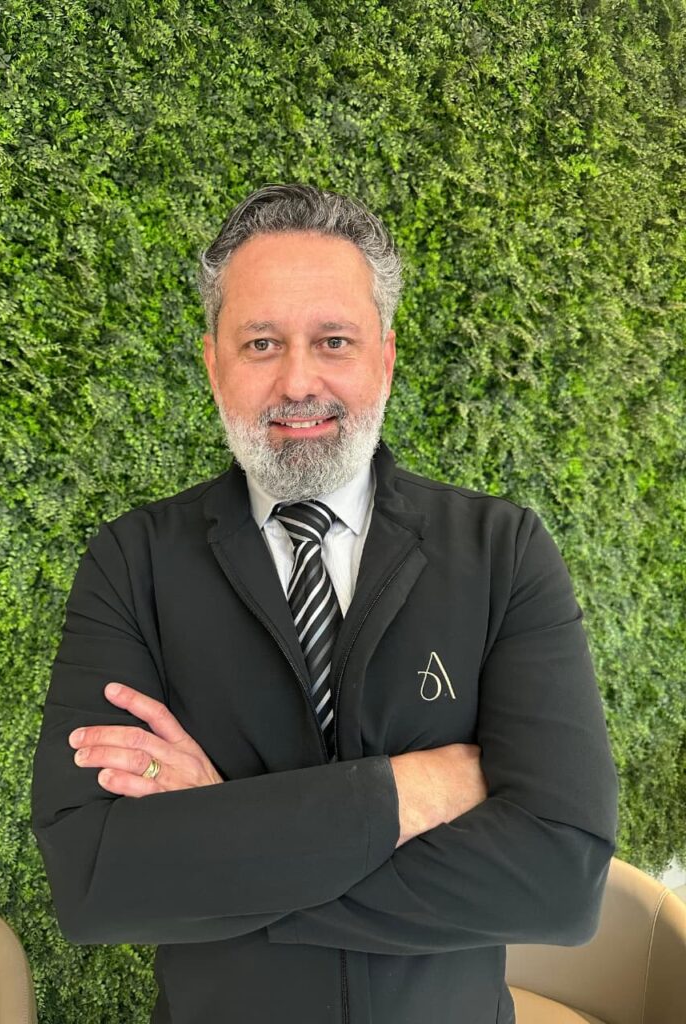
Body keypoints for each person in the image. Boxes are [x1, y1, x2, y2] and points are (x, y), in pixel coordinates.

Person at [31, 183, 619, 1024]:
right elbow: (94, 882)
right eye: (261, 343)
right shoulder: (133, 563)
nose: (298, 380)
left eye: (333, 340)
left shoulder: (503, 552)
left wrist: (219, 831)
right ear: (214, 364)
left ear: (385, 356)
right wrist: (413, 791)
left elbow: (559, 881)